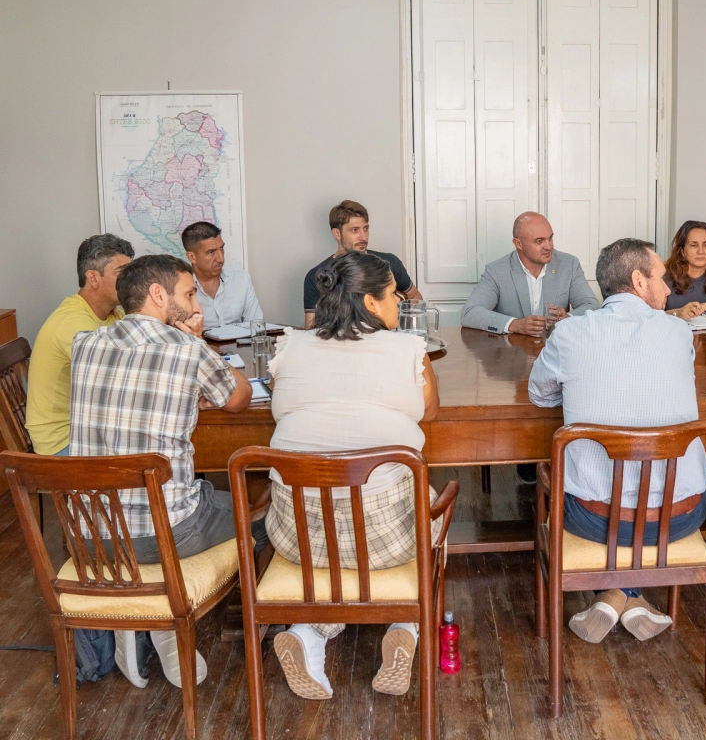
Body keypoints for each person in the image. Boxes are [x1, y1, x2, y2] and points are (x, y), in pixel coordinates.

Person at [69, 254, 253, 690]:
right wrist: (199, 344)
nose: (195, 306)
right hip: (165, 536)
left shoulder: (84, 343)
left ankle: (141, 624)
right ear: (158, 294)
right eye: (189, 294)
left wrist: (188, 389)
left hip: (91, 538)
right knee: (262, 513)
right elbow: (240, 397)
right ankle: (175, 620)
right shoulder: (188, 350)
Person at [267, 251, 441, 701]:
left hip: (298, 538)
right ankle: (405, 625)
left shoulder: (291, 345)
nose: (400, 301)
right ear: (370, 301)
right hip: (387, 541)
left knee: (333, 536)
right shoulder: (408, 349)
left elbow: (279, 408)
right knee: (434, 510)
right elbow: (429, 412)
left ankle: (306, 632)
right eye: (393, 294)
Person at [528, 238, 706, 644]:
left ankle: (613, 595)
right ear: (639, 281)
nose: (668, 289)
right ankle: (630, 597)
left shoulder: (570, 333)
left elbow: (539, 395)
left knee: (557, 480)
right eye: (661, 278)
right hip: (680, 516)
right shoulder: (679, 332)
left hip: (594, 519)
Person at [26, 234, 133, 456]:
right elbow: (119, 380)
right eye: (122, 273)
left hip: (90, 426)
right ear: (93, 278)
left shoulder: (114, 314)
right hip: (63, 441)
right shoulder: (73, 324)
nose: (131, 281)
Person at [461, 211, 600, 335]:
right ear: (518, 244)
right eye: (539, 241)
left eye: (550, 238)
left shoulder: (569, 264)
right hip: (512, 352)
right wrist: (516, 325)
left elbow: (591, 305)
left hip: (556, 349)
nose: (549, 246)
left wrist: (568, 318)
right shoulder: (496, 271)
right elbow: (470, 313)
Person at [303, 200, 422, 327]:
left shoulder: (389, 263)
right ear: (337, 233)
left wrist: (407, 331)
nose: (363, 237)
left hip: (388, 337)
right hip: (343, 338)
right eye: (355, 230)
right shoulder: (316, 275)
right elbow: (311, 327)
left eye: (365, 229)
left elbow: (415, 297)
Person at [181, 220, 263, 328]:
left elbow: (257, 325)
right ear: (192, 257)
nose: (220, 259)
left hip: (239, 339)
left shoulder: (241, 279)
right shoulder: (179, 288)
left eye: (221, 248)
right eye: (211, 252)